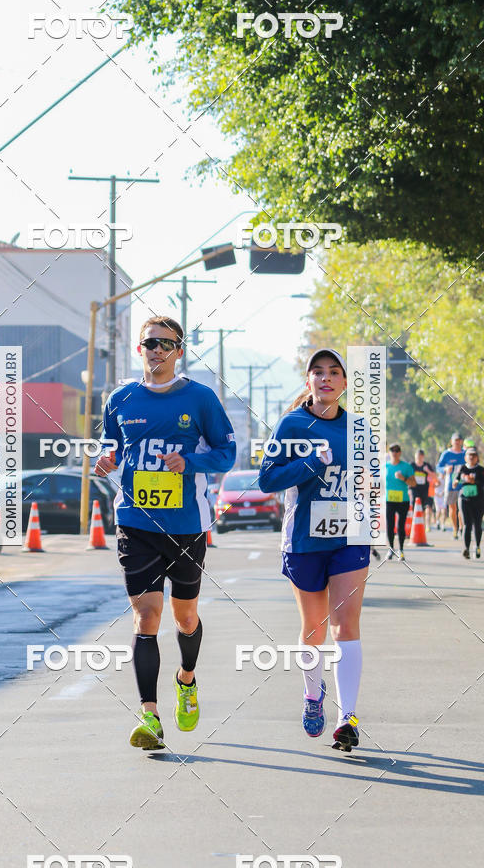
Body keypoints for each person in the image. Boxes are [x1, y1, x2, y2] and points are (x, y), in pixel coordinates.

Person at [95, 316, 236, 750]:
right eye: (149, 343)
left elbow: (227, 452)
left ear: (179, 351)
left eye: (165, 343)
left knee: (185, 617)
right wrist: (106, 458)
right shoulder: (120, 399)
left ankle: (187, 679)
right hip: (135, 521)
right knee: (146, 617)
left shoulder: (200, 398)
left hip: (186, 526)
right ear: (139, 349)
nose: (156, 350)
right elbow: (109, 442)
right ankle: (150, 716)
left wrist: (190, 463)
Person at [259, 348, 371, 753]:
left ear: (344, 383)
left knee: (346, 625)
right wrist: (310, 464)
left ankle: (348, 718)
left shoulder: (359, 429)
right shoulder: (291, 424)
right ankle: (312, 695)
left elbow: (366, 480)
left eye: (334, 373)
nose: (326, 378)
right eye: (318, 372)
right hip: (305, 540)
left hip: (349, 538)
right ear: (308, 381)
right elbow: (266, 479)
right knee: (315, 630)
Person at [385, 445, 416, 562]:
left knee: (400, 526)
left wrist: (403, 478)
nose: (395, 452)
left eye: (397, 450)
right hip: (389, 500)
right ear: (389, 452)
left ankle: (401, 550)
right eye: (392, 450)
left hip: (403, 500)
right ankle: (391, 549)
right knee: (390, 525)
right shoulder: (385, 466)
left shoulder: (406, 467)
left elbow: (414, 484)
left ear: (400, 452)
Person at [452, 446, 484, 559]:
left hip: (479, 500)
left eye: (474, 455)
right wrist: (456, 482)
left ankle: (478, 546)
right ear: (465, 457)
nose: (471, 457)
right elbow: (456, 480)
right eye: (469, 455)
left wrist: (474, 481)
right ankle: (466, 548)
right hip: (464, 499)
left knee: (477, 524)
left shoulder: (481, 470)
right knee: (467, 524)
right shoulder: (462, 468)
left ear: (477, 458)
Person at [437, 433, 465, 539]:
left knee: (462, 508)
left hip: (463, 485)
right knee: (452, 508)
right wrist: (445, 469)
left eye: (459, 440)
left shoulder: (465, 453)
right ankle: (455, 529)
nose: (457, 442)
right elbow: (438, 467)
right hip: (451, 485)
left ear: (461, 441)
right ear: (451, 441)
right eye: (455, 440)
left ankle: (462, 528)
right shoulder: (446, 454)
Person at [410, 449, 435, 529]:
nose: (419, 458)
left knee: (425, 508)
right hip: (414, 489)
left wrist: (427, 471)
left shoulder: (426, 465)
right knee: (415, 507)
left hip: (424, 489)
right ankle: (415, 525)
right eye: (417, 456)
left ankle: (423, 525)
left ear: (423, 457)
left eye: (420, 456)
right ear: (415, 456)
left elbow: (434, 476)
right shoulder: (412, 465)